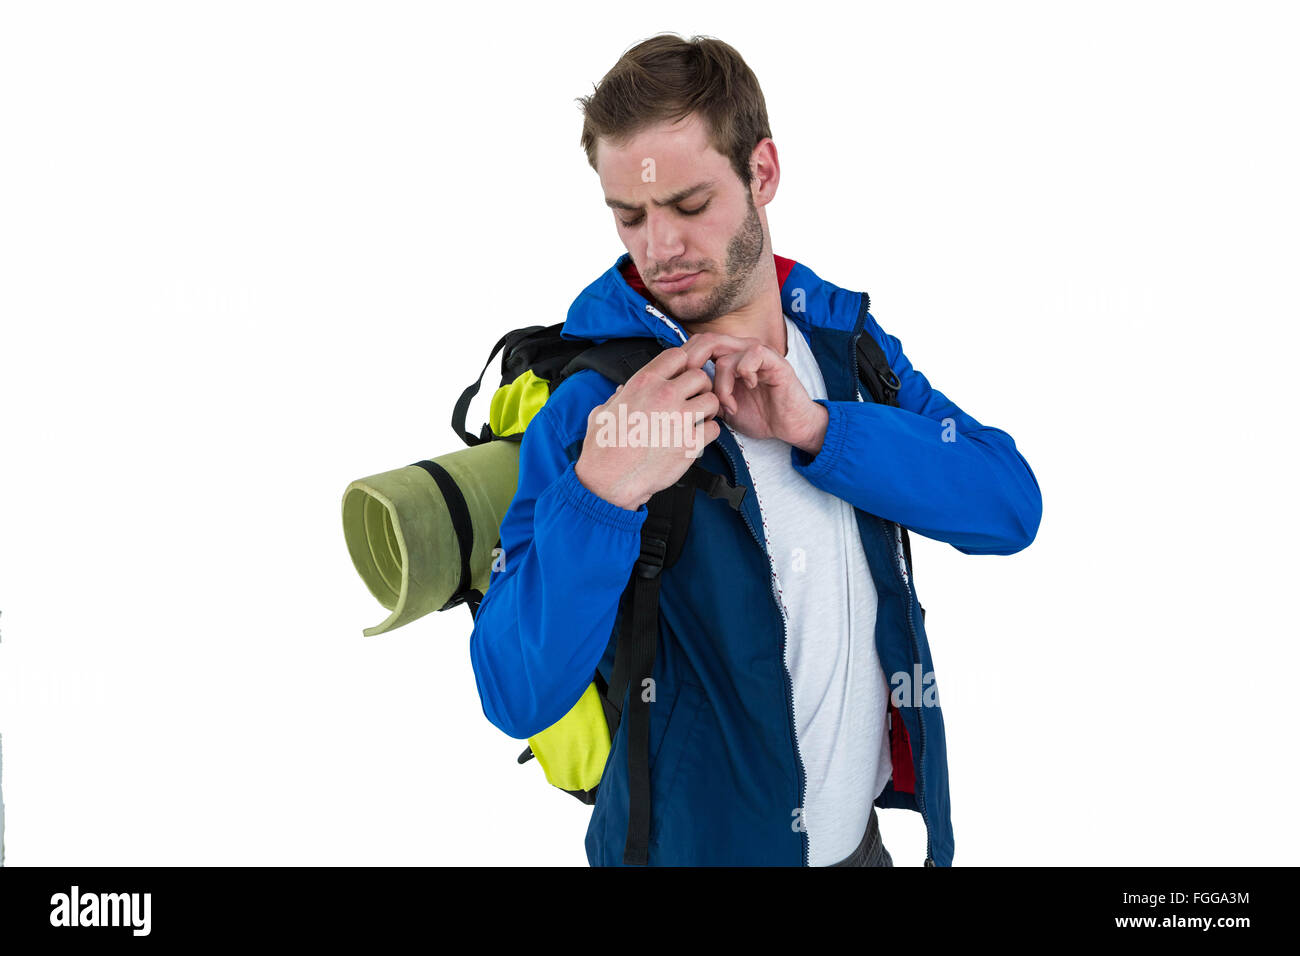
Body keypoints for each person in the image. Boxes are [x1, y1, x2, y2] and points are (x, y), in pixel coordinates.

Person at [469, 32, 1042, 867]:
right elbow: (516, 690)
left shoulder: (845, 345)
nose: (659, 247)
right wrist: (600, 493)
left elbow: (1008, 505)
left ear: (762, 173)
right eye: (630, 216)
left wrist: (821, 430)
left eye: (690, 205)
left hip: (861, 848)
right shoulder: (594, 405)